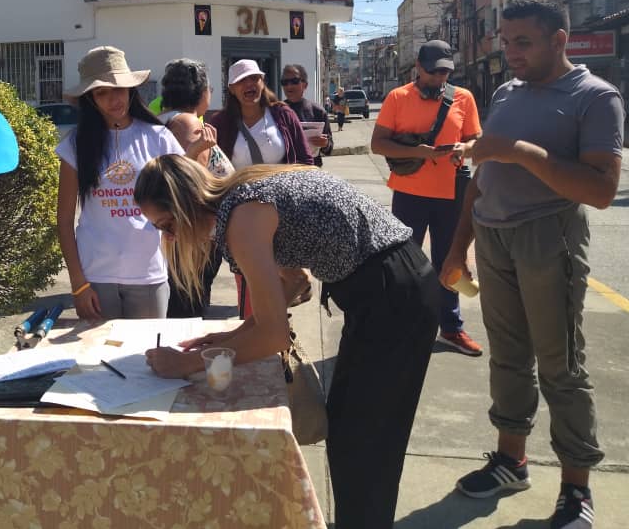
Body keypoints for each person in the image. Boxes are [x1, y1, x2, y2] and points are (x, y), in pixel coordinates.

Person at [135, 155, 440, 529]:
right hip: (387, 289)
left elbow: (274, 335)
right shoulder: (245, 196)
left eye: (167, 225)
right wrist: (230, 337)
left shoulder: (243, 218)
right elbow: (293, 284)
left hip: (395, 297)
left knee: (365, 446)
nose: (167, 238)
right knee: (348, 433)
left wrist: (187, 363)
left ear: (184, 206)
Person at [441, 0, 623, 529]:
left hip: (549, 238)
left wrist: (519, 151)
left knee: (561, 367)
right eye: (505, 42)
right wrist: (458, 246)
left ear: (559, 39)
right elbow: (482, 177)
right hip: (494, 238)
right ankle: (510, 460)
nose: (511, 53)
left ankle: (576, 487)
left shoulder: (596, 97)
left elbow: (601, 190)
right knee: (508, 358)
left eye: (523, 42)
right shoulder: (506, 91)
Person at [56, 46, 197, 321]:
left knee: (146, 357)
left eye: (119, 88)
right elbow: (63, 220)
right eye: (101, 92)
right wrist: (78, 283)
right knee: (98, 360)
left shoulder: (159, 138)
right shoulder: (75, 145)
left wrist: (174, 226)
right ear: (89, 98)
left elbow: (182, 197)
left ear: (131, 89)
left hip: (148, 272)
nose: (113, 99)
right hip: (96, 276)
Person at [371, 40, 484, 357]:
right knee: (405, 263)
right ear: (417, 68)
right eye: (433, 71)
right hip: (409, 193)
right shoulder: (398, 97)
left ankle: (451, 328)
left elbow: (477, 138)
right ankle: (402, 324)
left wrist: (466, 148)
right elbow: (378, 143)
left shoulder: (464, 98)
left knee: (449, 263)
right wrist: (416, 152)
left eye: (445, 72)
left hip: (451, 194)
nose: (440, 78)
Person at [209, 59, 315, 315]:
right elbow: (215, 168)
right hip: (243, 214)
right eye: (242, 81)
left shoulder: (282, 114)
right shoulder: (222, 122)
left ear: (263, 82)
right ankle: (254, 321)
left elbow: (305, 159)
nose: (249, 84)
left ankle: (277, 330)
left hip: (282, 209)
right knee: (250, 274)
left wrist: (302, 196)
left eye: (254, 78)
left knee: (280, 272)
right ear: (232, 88)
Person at [156, 58, 233, 317]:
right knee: (188, 314)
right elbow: (192, 184)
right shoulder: (189, 124)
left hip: (177, 236)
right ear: (202, 92)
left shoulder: (160, 120)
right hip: (195, 240)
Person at [281, 63, 333, 167]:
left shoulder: (318, 111)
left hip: (311, 170)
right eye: (285, 82)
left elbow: (329, 149)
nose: (289, 86)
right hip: (285, 171)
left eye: (294, 81)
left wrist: (325, 144)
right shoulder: (276, 111)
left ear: (305, 85)